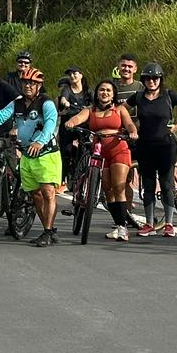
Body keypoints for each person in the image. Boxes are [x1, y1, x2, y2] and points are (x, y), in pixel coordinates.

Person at [0, 67, 60, 246]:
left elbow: (50, 124)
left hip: (46, 154)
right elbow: (0, 116)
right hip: (26, 153)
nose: (28, 86)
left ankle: (48, 231)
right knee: (35, 195)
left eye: (32, 83)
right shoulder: (17, 103)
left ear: (39, 85)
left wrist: (40, 141)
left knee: (48, 192)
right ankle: (48, 229)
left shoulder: (46, 103)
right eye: (25, 82)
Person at [64, 79, 139, 241]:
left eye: (108, 91)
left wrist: (132, 132)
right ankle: (119, 225)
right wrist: (71, 122)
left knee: (118, 187)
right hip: (99, 151)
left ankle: (123, 229)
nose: (105, 93)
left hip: (119, 149)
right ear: (97, 93)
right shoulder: (90, 110)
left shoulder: (119, 109)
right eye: (102, 90)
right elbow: (78, 118)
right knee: (107, 190)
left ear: (113, 95)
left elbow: (130, 124)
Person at [131, 63, 177, 238]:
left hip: (166, 146)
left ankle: (169, 223)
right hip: (145, 146)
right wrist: (130, 127)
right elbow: (121, 110)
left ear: (160, 79)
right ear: (143, 80)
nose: (152, 81)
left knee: (167, 184)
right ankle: (149, 223)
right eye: (148, 78)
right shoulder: (138, 97)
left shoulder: (169, 95)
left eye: (155, 78)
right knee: (148, 185)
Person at [55, 66, 91, 191]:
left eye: (75, 73)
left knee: (84, 151)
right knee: (65, 152)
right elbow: (64, 98)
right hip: (68, 125)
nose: (72, 76)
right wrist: (65, 103)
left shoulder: (88, 91)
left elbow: (94, 103)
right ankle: (61, 181)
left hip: (83, 126)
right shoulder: (67, 89)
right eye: (70, 74)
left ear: (81, 75)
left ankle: (82, 179)